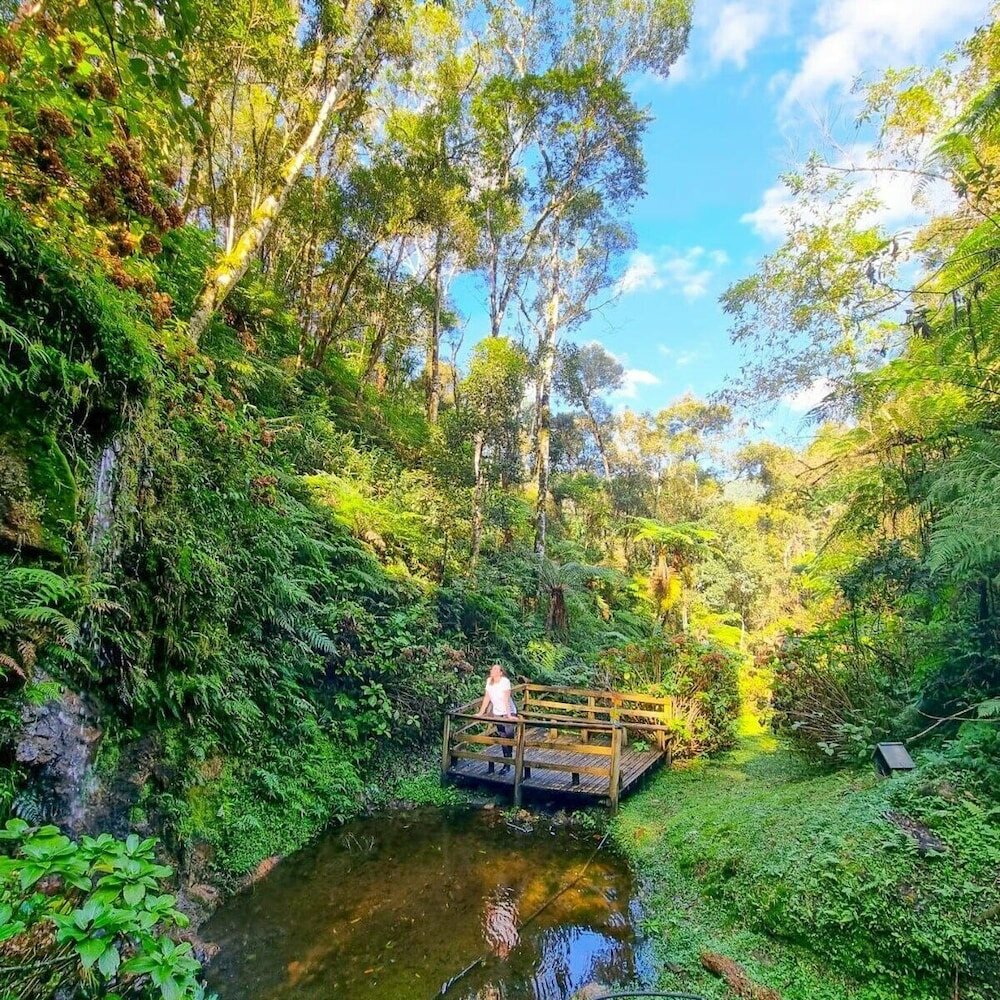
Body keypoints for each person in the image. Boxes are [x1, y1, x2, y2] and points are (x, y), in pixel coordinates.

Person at [478, 663, 517, 774]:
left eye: (496, 669)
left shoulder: (505, 681)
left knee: (509, 737)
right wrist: (481, 712)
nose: (493, 670)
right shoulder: (489, 681)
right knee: (503, 738)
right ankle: (507, 763)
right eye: (492, 669)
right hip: (497, 713)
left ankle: (508, 761)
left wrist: (508, 715)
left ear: (500, 672)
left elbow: (506, 698)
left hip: (509, 711)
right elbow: (487, 697)